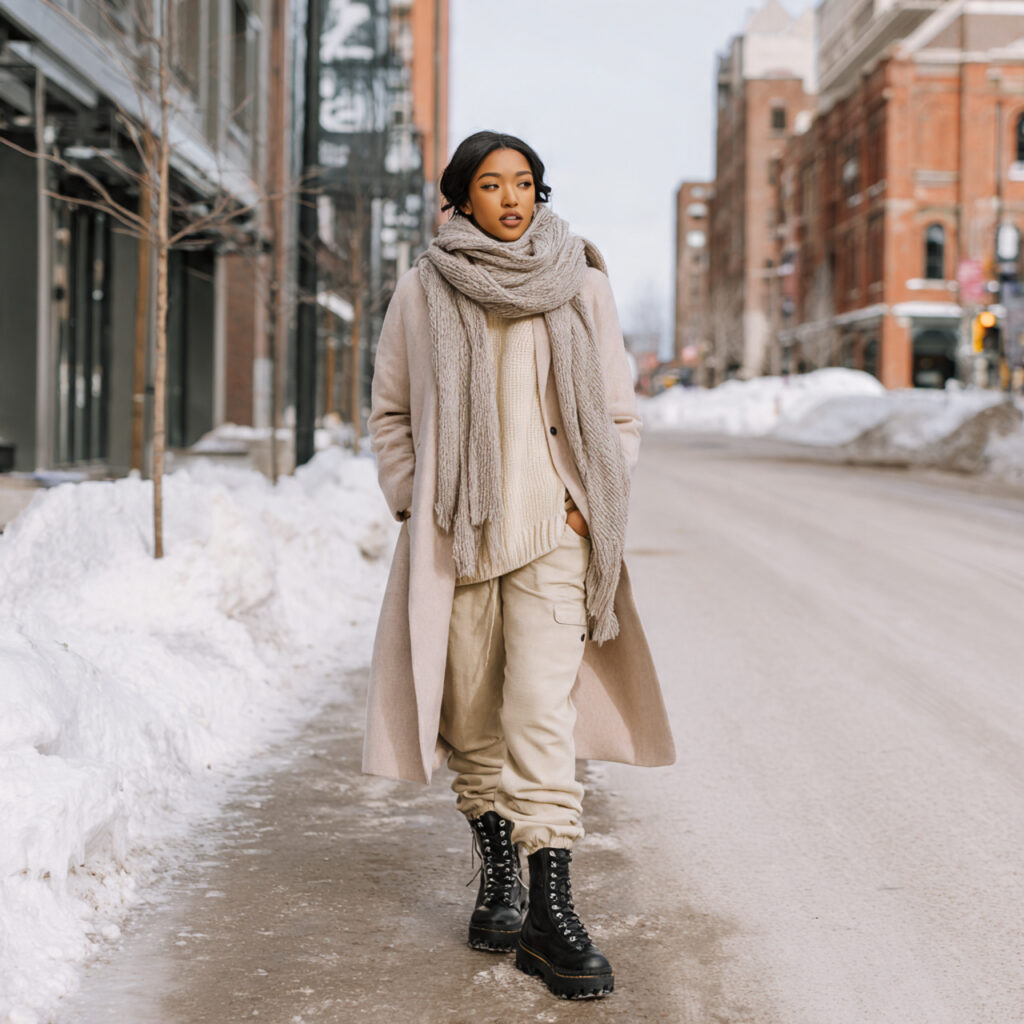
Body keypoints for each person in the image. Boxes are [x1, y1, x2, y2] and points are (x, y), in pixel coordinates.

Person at [364, 130, 675, 1000]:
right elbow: (390, 413)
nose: (511, 199)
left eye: (525, 183)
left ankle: (551, 910)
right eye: (492, 185)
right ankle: (496, 867)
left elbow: (619, 415)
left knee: (541, 713)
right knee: (471, 717)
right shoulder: (423, 291)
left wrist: (589, 504)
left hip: (555, 538)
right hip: (456, 538)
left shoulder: (582, 282)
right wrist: (411, 495)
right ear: (459, 200)